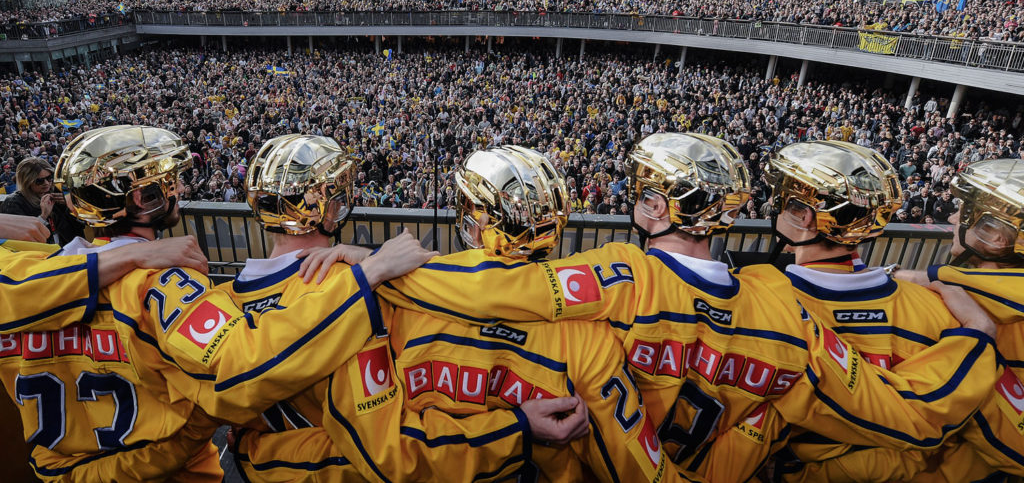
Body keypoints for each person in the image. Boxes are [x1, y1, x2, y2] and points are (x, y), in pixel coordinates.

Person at [333, 133, 997, 481]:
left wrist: (371, 271)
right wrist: (976, 338)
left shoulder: (619, 276)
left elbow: (497, 288)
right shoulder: (787, 311)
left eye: (646, 192)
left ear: (656, 205)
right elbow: (908, 418)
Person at [0, 125, 431, 481]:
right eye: (169, 182)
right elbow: (238, 370)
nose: (181, 188)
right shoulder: (162, 284)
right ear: (143, 198)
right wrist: (366, 275)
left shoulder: (25, 275)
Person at [282, 145, 686, 482]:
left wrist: (373, 265)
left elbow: (382, 449)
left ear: (476, 225)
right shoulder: (591, 336)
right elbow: (632, 463)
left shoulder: (391, 303)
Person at [227, 137, 590, 482]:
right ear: (325, 206)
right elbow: (391, 454)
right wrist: (516, 430)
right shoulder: (356, 293)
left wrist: (255, 455)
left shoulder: (224, 301)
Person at [694, 141, 992, 481]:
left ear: (804, 216)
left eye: (782, 201)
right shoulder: (939, 306)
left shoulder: (757, 304)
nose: (774, 208)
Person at [806, 158, 1024, 481]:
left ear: (995, 237)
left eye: (963, 211)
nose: (951, 217)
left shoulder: (966, 312)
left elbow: (909, 423)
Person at [0, 158, 83, 245]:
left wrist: (71, 206)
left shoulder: (57, 193)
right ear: (27, 182)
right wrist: (43, 216)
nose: (47, 183)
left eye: (49, 178)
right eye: (39, 181)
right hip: (41, 255)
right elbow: (20, 241)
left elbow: (78, 228)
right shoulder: (13, 203)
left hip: (69, 250)